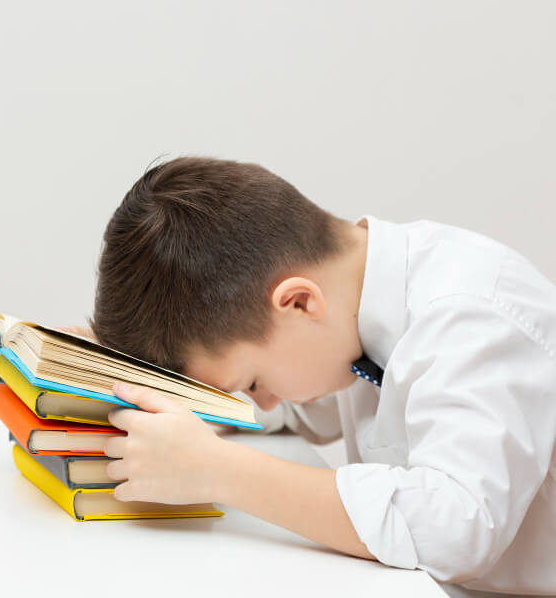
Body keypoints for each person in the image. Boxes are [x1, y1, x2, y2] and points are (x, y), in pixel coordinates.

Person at [86, 156, 556, 594]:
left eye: (252, 383)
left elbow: (458, 529)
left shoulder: (468, 317)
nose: (264, 401)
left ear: (299, 302)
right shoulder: (346, 305)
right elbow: (306, 408)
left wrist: (217, 471)